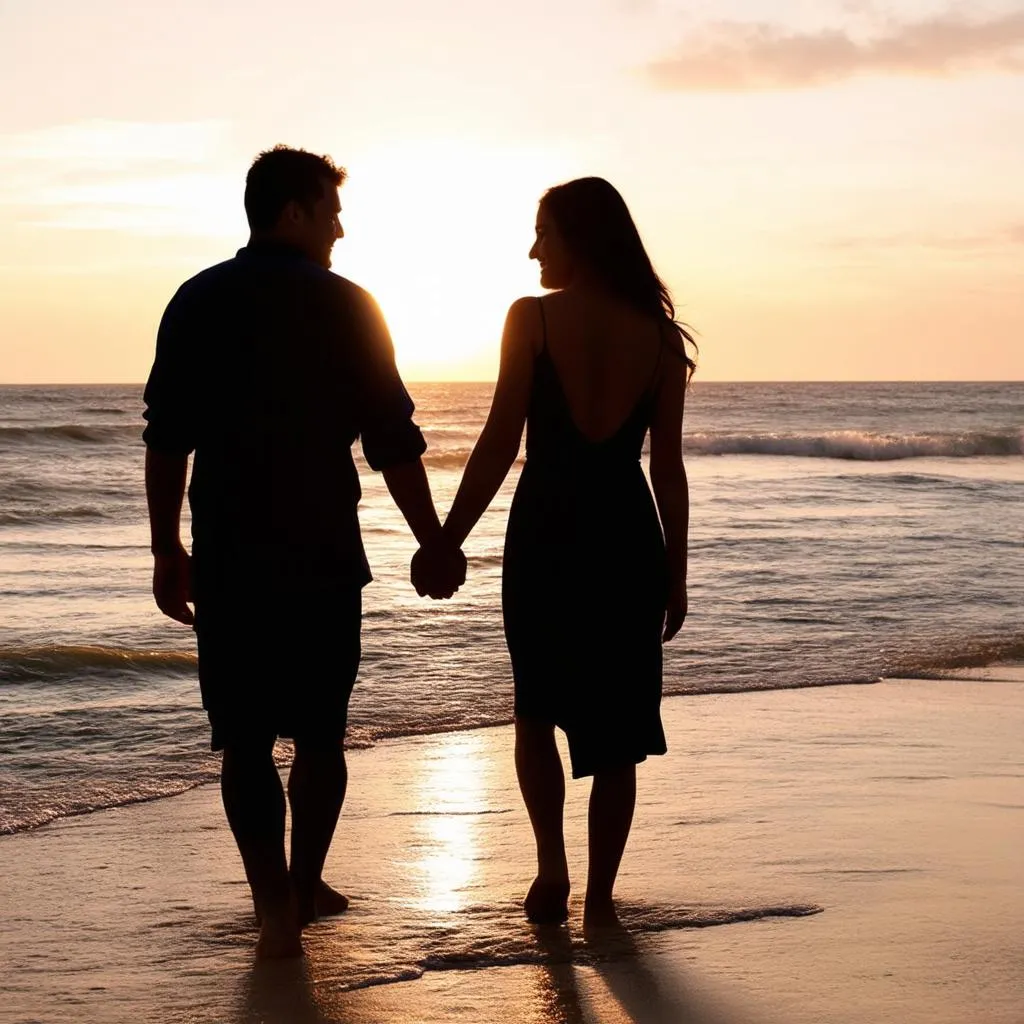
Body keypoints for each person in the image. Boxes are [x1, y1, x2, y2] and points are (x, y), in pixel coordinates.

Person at [143, 145, 464, 959]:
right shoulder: (351, 306)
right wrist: (432, 541)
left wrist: (165, 549)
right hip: (321, 551)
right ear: (292, 212)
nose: (340, 228)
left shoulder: (196, 300)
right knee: (321, 734)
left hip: (230, 552)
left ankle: (272, 900)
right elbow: (392, 444)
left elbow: (166, 440)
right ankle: (305, 878)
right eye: (330, 211)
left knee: (242, 738)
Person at [417, 176, 694, 929]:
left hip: (548, 532)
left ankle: (551, 870)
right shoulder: (662, 341)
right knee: (621, 733)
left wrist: (447, 538)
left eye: (544, 232)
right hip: (628, 537)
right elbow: (665, 466)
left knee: (535, 710)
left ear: (580, 236)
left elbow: (502, 440)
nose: (533, 248)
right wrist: (677, 571)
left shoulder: (532, 319)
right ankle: (601, 898)